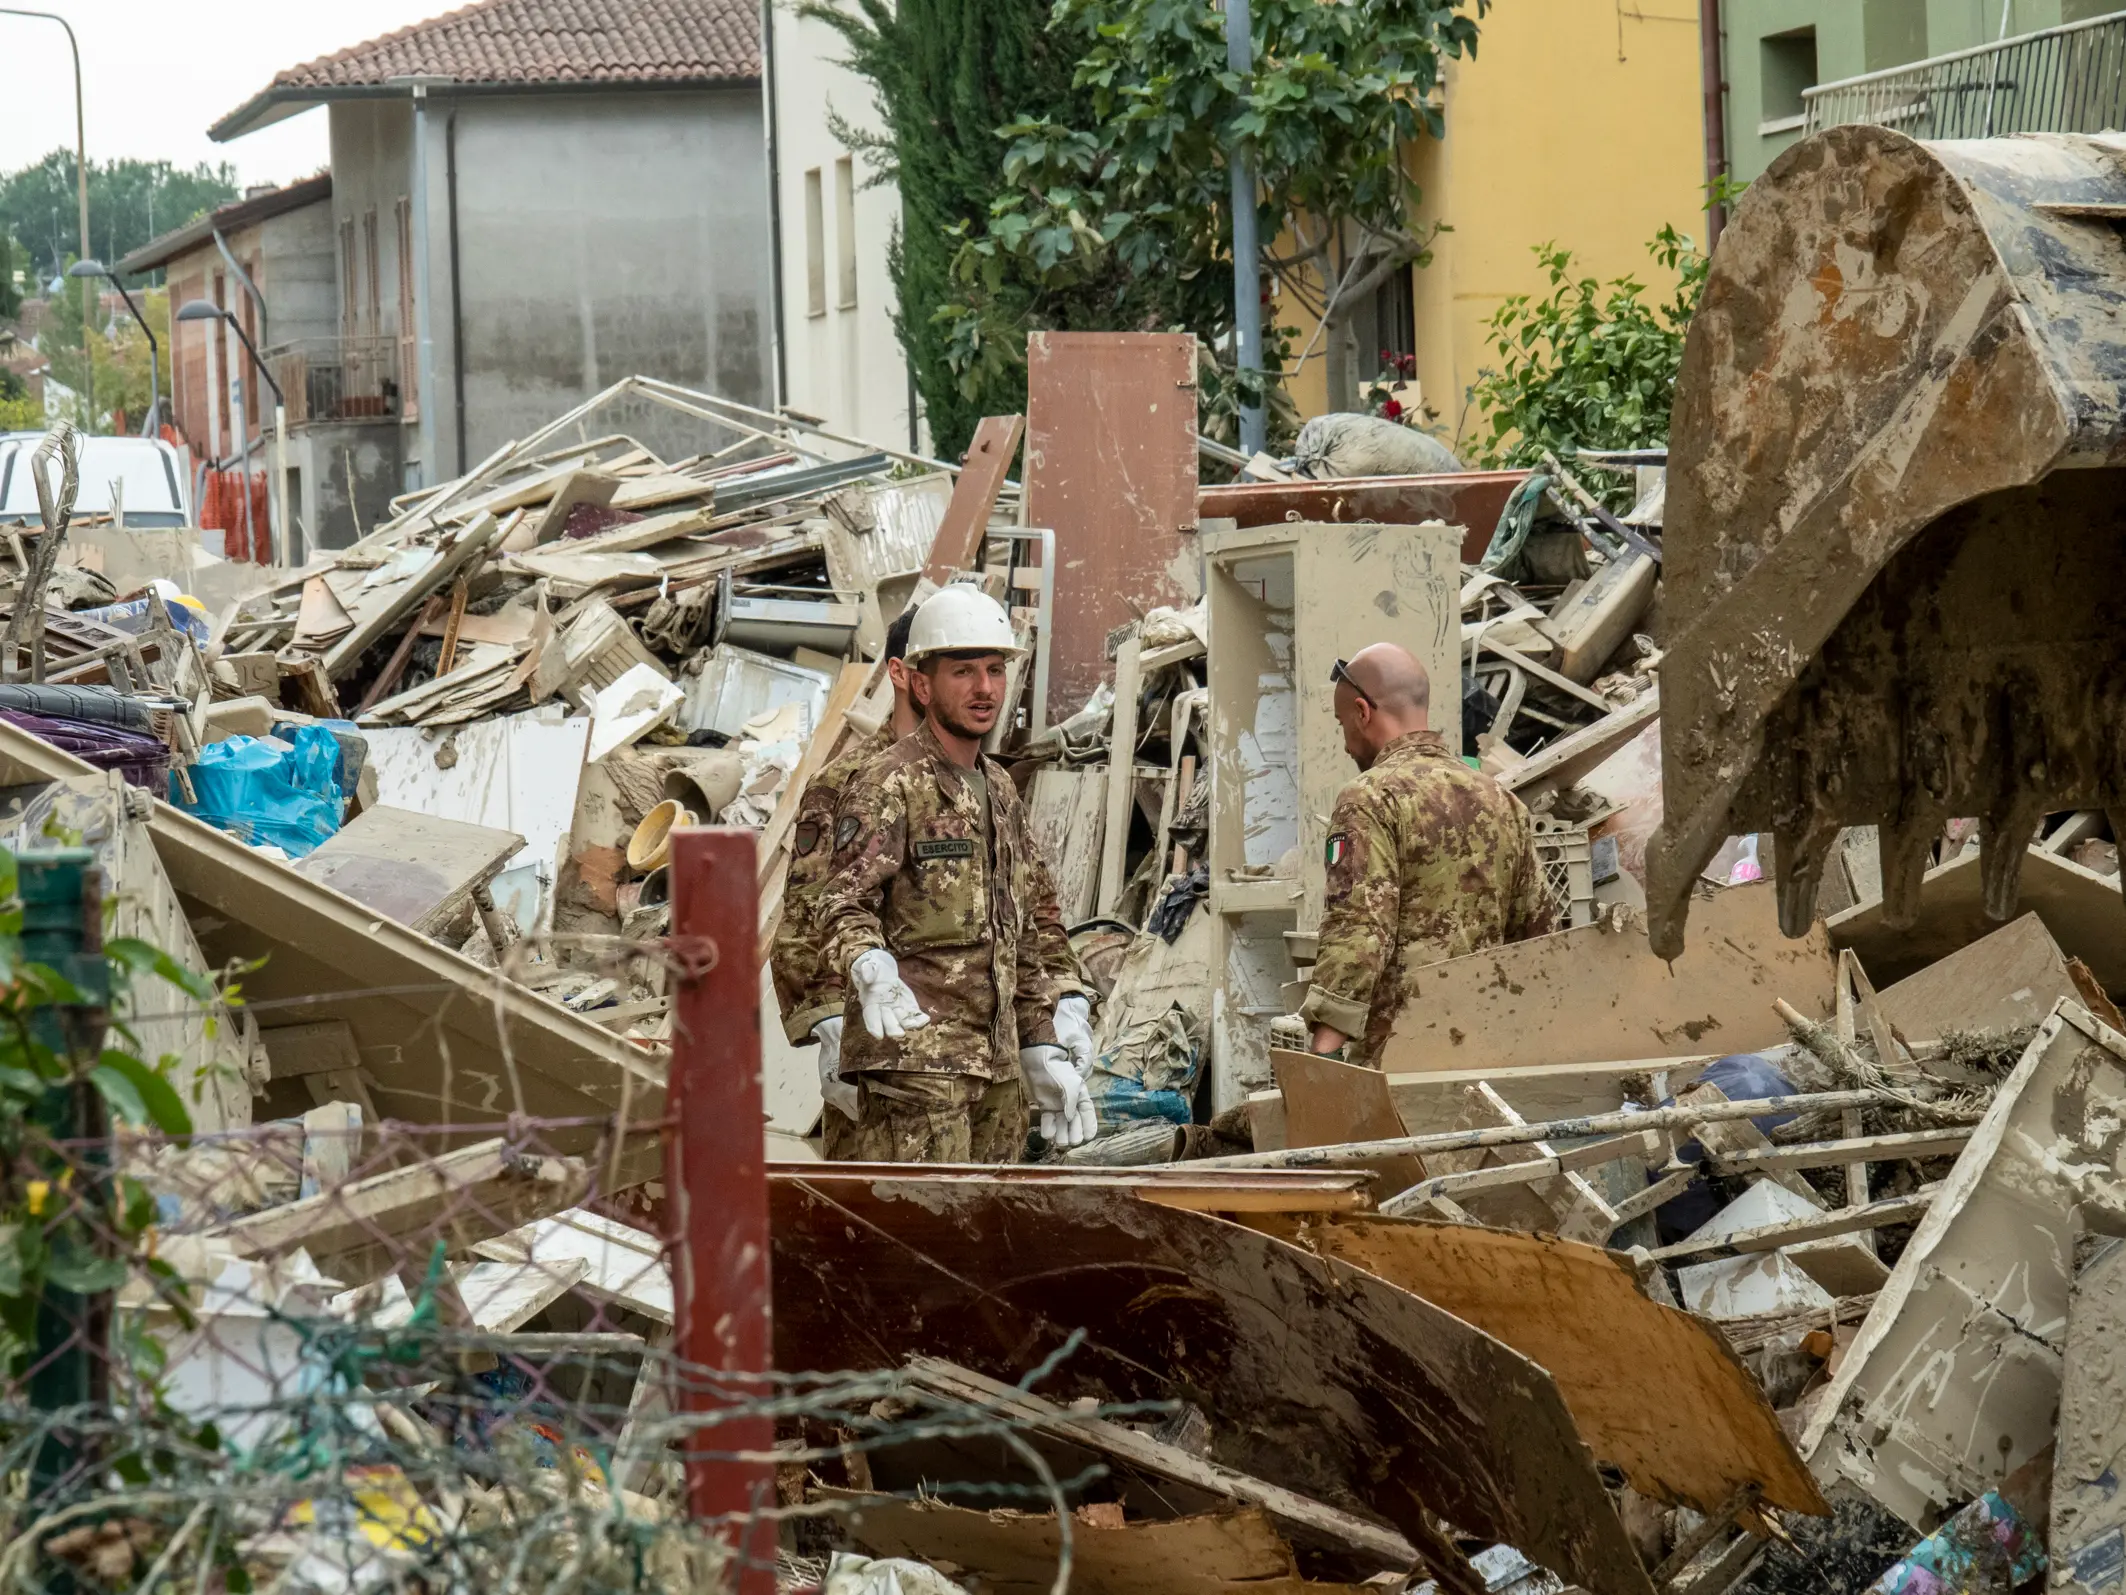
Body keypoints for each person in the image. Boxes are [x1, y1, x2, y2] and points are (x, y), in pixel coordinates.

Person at [812, 585, 1100, 1162]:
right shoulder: (889, 784)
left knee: (989, 1241)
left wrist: (1042, 1038)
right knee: (914, 1235)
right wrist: (866, 960)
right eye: (963, 671)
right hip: (914, 1071)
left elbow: (1023, 932)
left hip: (995, 1069)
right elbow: (841, 902)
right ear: (921, 683)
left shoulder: (998, 789)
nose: (985, 688)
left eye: (995, 670)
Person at [1301, 642, 1552, 1067]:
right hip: (1487, 1048)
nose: (1345, 744)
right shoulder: (1502, 800)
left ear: (1363, 713)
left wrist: (1320, 1055)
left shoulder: (1370, 798)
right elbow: (1538, 931)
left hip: (1399, 1053)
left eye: (1343, 724)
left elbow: (1359, 928)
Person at [770, 606, 923, 1159]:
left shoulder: (984, 785)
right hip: (879, 1055)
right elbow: (804, 916)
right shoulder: (845, 783)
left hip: (971, 1062)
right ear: (904, 674)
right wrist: (828, 1020)